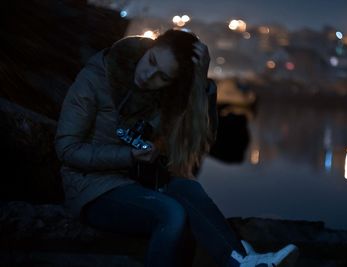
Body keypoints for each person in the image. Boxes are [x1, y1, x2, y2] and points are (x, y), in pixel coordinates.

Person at [54, 28, 298, 267]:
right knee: (172, 214)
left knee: (187, 188)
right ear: (151, 46)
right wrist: (128, 155)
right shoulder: (96, 77)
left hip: (138, 183)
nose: (149, 75)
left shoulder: (165, 96)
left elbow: (204, 140)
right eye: (151, 61)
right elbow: (66, 148)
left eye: (162, 76)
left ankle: (241, 261)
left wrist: (202, 83)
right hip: (91, 189)